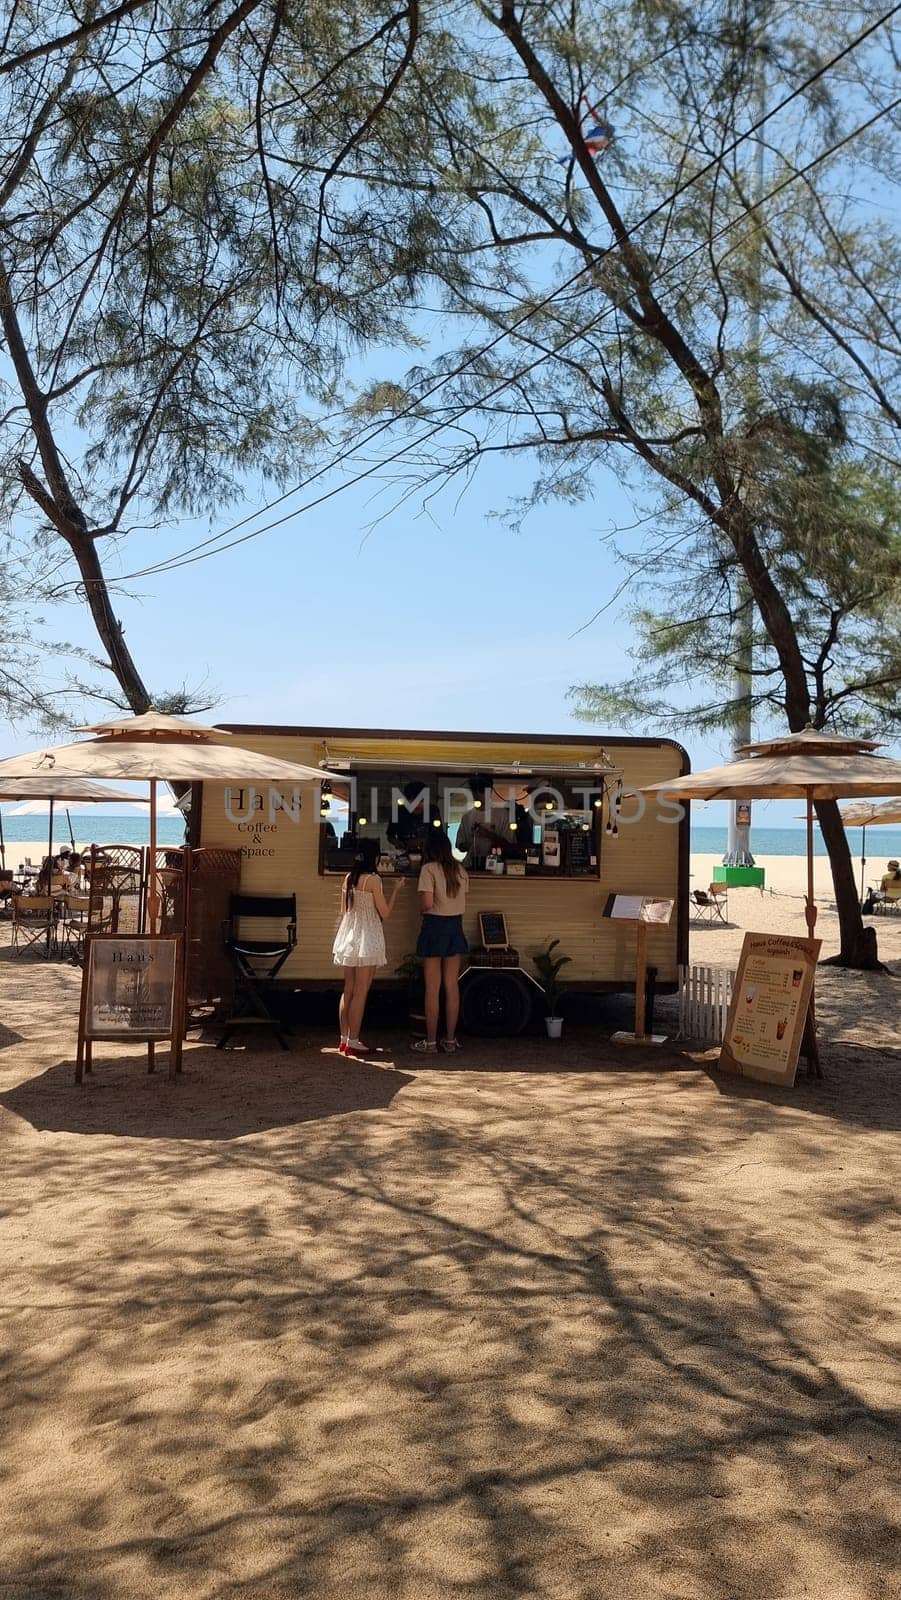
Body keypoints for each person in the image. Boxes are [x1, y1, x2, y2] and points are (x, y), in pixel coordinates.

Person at [332, 838, 404, 1057]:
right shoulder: (373, 880)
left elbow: (344, 910)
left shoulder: (349, 878)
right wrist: (397, 890)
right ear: (375, 858)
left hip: (349, 934)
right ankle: (354, 1040)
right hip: (368, 935)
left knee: (348, 989)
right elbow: (385, 913)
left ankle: (344, 1038)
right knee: (362, 990)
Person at [413, 829, 469, 1054]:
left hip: (434, 926)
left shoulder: (428, 870)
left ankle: (430, 1042)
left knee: (432, 989)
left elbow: (427, 903)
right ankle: (450, 1039)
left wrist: (419, 911)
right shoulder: (461, 870)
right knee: (452, 987)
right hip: (455, 926)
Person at [455, 774, 519, 868]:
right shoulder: (467, 817)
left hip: (496, 865)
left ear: (490, 792)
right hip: (471, 864)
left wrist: (489, 834)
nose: (477, 794)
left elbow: (509, 845)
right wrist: (468, 845)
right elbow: (460, 845)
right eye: (474, 791)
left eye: (481, 790)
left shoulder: (502, 814)